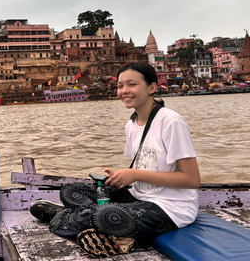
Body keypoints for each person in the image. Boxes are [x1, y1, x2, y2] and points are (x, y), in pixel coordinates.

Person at [30, 62, 201, 258]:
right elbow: (146, 166)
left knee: (106, 215)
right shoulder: (132, 123)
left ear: (152, 88)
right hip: (139, 196)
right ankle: (85, 218)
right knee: (71, 190)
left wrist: (134, 174)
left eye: (132, 85)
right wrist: (122, 176)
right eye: (120, 86)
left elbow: (192, 180)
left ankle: (73, 216)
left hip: (171, 207)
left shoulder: (171, 121)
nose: (124, 91)